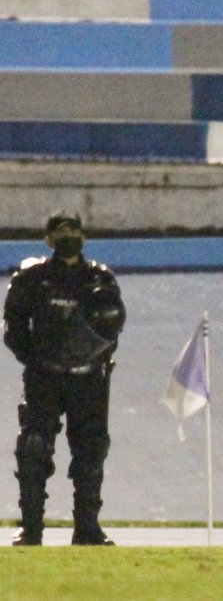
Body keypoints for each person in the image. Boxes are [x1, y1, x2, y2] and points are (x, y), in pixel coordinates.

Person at [4, 211, 126, 546]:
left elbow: (113, 328)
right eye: (59, 231)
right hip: (45, 377)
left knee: (91, 450)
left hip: (88, 379)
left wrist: (92, 356)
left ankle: (87, 528)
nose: (67, 236)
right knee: (33, 449)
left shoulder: (100, 279)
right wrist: (36, 358)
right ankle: (31, 528)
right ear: (48, 239)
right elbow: (13, 328)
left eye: (73, 230)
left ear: (83, 237)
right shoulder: (32, 278)